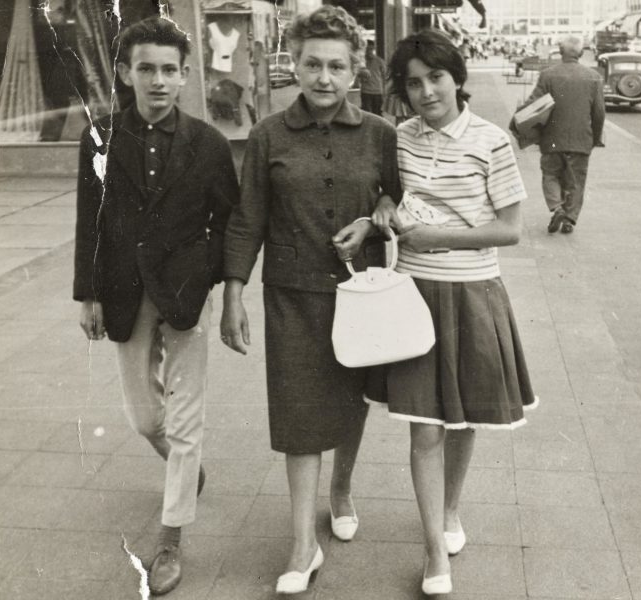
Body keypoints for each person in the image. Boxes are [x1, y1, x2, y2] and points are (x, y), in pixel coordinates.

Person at [220, 5, 401, 595]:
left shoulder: (380, 133)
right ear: (292, 65)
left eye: (337, 66)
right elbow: (248, 218)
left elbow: (399, 204)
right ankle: (303, 544)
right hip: (292, 296)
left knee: (352, 402)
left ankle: (342, 487)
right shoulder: (269, 133)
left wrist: (378, 220)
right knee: (298, 413)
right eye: (313, 64)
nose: (325, 77)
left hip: (360, 294)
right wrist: (234, 293)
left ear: (356, 71)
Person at [73, 17, 238, 596]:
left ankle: (170, 542)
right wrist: (88, 291)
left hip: (188, 295)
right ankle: (182, 466)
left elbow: (229, 222)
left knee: (187, 420)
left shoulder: (211, 145)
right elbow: (88, 222)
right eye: (146, 69)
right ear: (125, 73)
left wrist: (213, 276)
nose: (159, 81)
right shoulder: (100, 137)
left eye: (170, 70)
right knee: (146, 419)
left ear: (186, 76)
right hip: (123, 290)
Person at [371, 28, 537, 596]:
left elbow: (510, 230)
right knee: (423, 430)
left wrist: (438, 234)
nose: (426, 92)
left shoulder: (491, 141)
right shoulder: (399, 138)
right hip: (413, 292)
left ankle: (450, 510)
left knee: (463, 419)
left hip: (471, 293)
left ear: (456, 79)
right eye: (413, 83)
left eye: (435, 78)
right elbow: (387, 192)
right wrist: (387, 206)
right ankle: (433, 549)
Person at [516, 34, 604, 234]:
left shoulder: (548, 75)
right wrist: (595, 138)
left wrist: (518, 122)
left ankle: (556, 208)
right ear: (581, 53)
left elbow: (533, 105)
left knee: (551, 174)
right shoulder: (593, 77)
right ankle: (569, 219)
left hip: (552, 139)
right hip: (581, 140)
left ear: (560, 52)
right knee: (576, 180)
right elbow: (599, 113)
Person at [358, 39, 388, 115]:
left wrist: (385, 92)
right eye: (367, 49)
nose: (369, 51)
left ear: (374, 49)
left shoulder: (380, 61)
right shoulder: (361, 62)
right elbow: (356, 74)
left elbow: (386, 77)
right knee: (365, 114)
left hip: (378, 92)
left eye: (371, 49)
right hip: (366, 91)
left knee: (378, 114)